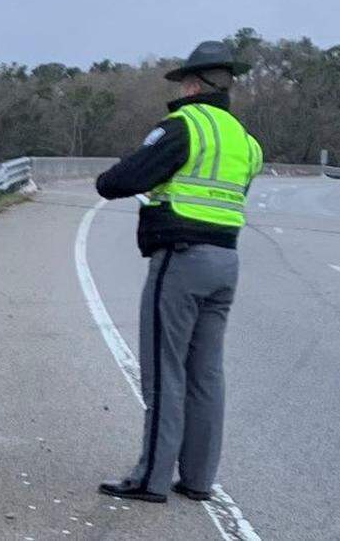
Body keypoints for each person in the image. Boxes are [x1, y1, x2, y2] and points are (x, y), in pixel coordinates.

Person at [95, 41, 262, 503]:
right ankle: (198, 479)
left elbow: (120, 181)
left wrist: (111, 178)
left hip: (181, 260)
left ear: (192, 84)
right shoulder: (246, 142)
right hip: (226, 262)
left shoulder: (185, 126)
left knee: (164, 370)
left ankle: (150, 479)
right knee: (206, 373)